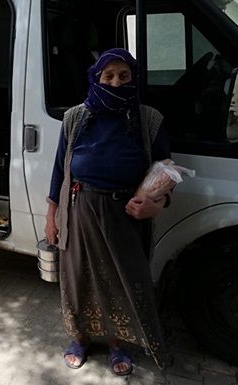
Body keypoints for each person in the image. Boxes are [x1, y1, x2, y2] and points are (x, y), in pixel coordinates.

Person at [45, 48, 171, 374]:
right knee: (78, 278)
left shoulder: (148, 119)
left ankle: (118, 343)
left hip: (125, 214)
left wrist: (155, 204)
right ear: (96, 78)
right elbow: (59, 170)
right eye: (109, 76)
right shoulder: (75, 117)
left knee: (122, 280)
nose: (116, 83)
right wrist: (51, 218)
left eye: (124, 76)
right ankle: (80, 338)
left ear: (134, 79)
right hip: (80, 209)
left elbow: (166, 170)